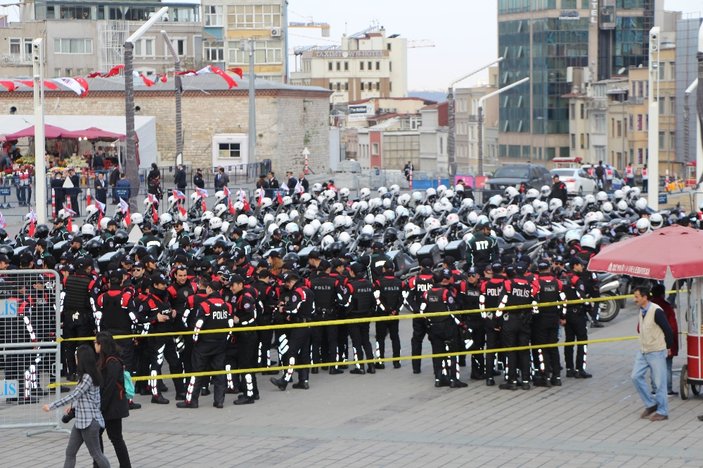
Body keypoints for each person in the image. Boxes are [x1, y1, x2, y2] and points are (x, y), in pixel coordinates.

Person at [42, 344, 110, 468]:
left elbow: (74, 395)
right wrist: (73, 407)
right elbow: (83, 397)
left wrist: (51, 406)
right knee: (70, 452)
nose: (75, 359)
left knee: (96, 454)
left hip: (90, 422)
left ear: (82, 359)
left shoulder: (87, 377)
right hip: (81, 421)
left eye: (76, 357)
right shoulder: (87, 375)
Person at [631, 286, 673, 422]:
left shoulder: (656, 311)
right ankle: (651, 404)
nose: (634, 299)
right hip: (643, 351)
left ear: (644, 297)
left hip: (656, 351)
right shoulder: (641, 310)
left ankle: (663, 411)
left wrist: (669, 347)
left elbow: (668, 329)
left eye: (637, 297)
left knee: (659, 382)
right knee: (636, 377)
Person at [94, 332, 132, 468]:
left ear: (101, 345)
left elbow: (109, 387)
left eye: (96, 343)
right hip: (109, 407)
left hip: (112, 408)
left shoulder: (112, 362)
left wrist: (100, 407)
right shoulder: (105, 360)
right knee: (104, 437)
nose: (94, 345)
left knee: (114, 438)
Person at [650, 284, 678, 396]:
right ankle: (667, 389)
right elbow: (673, 327)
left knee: (653, 365)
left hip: (651, 342)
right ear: (663, 293)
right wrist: (672, 343)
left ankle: (655, 389)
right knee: (667, 365)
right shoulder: (667, 307)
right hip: (666, 342)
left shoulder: (648, 307)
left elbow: (639, 328)